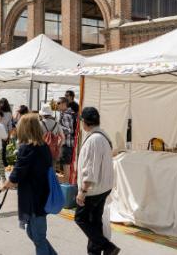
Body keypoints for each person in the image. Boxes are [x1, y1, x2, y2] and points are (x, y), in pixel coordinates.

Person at [1, 113, 56, 255]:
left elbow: (18, 172)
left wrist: (6, 184)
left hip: (33, 198)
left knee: (38, 237)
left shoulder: (28, 148)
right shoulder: (43, 146)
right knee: (33, 233)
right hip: (41, 195)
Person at [74, 107, 119, 255]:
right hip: (103, 187)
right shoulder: (102, 136)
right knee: (94, 221)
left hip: (94, 189)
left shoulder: (94, 139)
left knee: (81, 218)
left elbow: (90, 169)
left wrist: (83, 191)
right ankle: (94, 251)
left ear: (85, 122)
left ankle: (107, 246)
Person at [57, 97, 76, 183]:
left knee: (66, 166)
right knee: (67, 166)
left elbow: (69, 130)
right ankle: (67, 184)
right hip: (68, 143)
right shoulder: (67, 113)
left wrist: (58, 127)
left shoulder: (66, 115)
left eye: (58, 103)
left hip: (67, 144)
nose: (57, 105)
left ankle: (66, 185)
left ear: (64, 104)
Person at [0, 98, 13, 167]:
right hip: (4, 135)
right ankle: (2, 169)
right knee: (2, 153)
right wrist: (9, 137)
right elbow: (10, 126)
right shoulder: (9, 114)